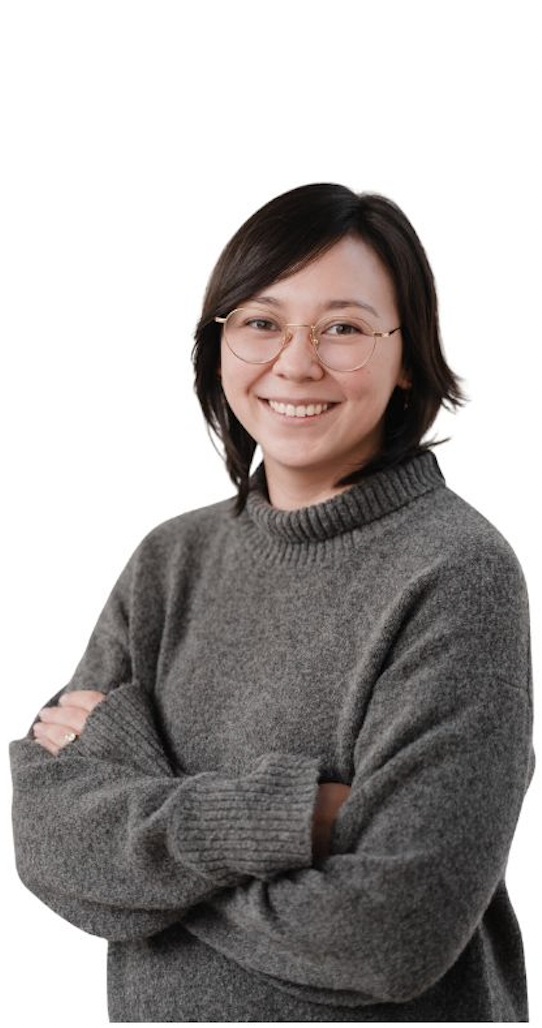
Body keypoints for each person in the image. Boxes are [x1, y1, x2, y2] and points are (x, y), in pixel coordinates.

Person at [9, 183, 534, 1023]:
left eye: (344, 328)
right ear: (218, 345)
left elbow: (390, 938)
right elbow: (49, 839)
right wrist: (282, 818)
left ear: (408, 358)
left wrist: (145, 847)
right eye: (261, 322)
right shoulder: (169, 562)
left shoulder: (456, 573)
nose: (295, 362)